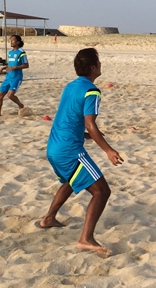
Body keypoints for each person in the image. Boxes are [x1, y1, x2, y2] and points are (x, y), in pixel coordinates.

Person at [40, 48, 123, 255]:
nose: (101, 65)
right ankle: (86, 238)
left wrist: (85, 135)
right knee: (102, 191)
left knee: (71, 179)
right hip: (68, 150)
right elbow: (90, 124)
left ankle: (49, 218)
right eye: (99, 62)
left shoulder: (70, 86)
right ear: (93, 67)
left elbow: (68, 118)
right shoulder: (92, 90)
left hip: (53, 146)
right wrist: (108, 150)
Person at [0, 35, 29, 117]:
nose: (11, 42)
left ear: (18, 42)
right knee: (0, 95)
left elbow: (26, 65)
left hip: (16, 78)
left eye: (13, 40)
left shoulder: (21, 52)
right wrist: (2, 69)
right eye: (10, 40)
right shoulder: (10, 52)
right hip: (8, 77)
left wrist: (15, 67)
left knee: (10, 95)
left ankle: (20, 105)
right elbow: (9, 65)